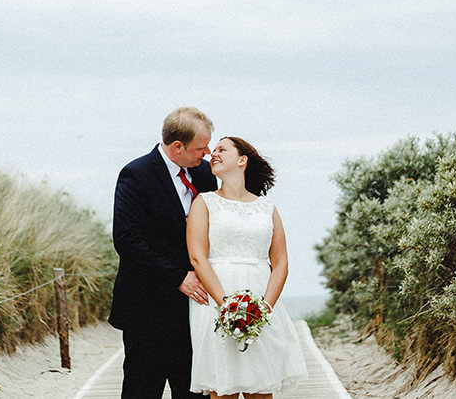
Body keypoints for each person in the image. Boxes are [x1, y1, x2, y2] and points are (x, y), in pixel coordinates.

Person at [109, 107, 219, 399]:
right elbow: (127, 239)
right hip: (147, 308)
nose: (207, 153)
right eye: (201, 147)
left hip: (194, 309)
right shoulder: (136, 174)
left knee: (194, 390)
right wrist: (177, 277)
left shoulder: (205, 174)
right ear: (177, 147)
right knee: (143, 389)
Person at [186, 137, 308, 398]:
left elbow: (280, 262)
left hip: (261, 299)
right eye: (213, 150)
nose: (213, 154)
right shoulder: (204, 203)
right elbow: (198, 258)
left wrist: (264, 308)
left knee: (261, 387)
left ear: (242, 160)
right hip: (216, 301)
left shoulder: (267, 207)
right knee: (223, 388)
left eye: (222, 150)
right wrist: (228, 306)